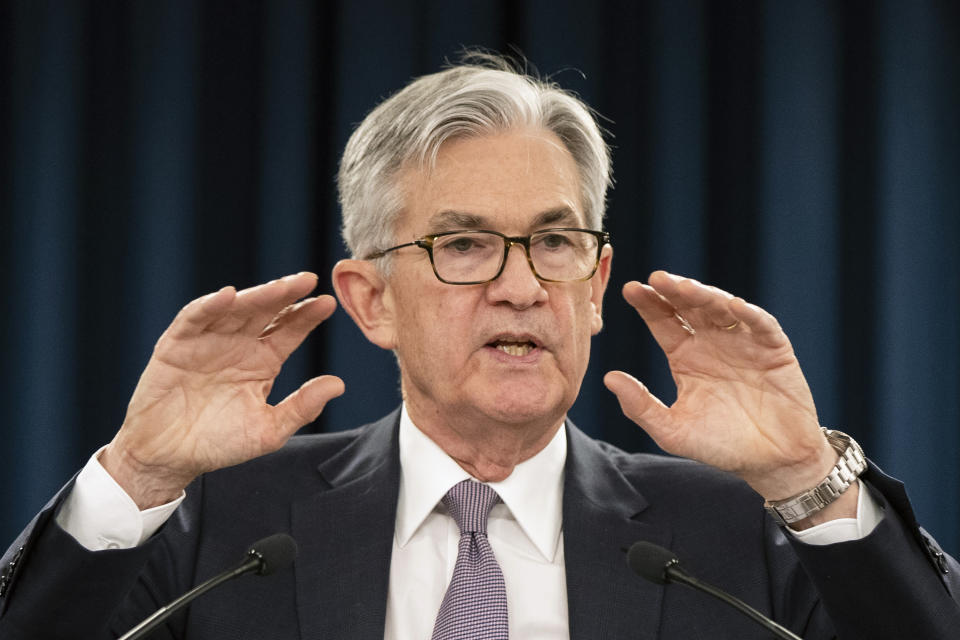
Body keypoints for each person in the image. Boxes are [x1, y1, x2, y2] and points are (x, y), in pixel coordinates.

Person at [1, 55, 958, 640]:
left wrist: (803, 474)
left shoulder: (737, 530)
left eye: (553, 240)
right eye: (462, 245)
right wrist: (132, 477)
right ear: (369, 299)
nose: (519, 283)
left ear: (594, 286)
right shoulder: (222, 523)